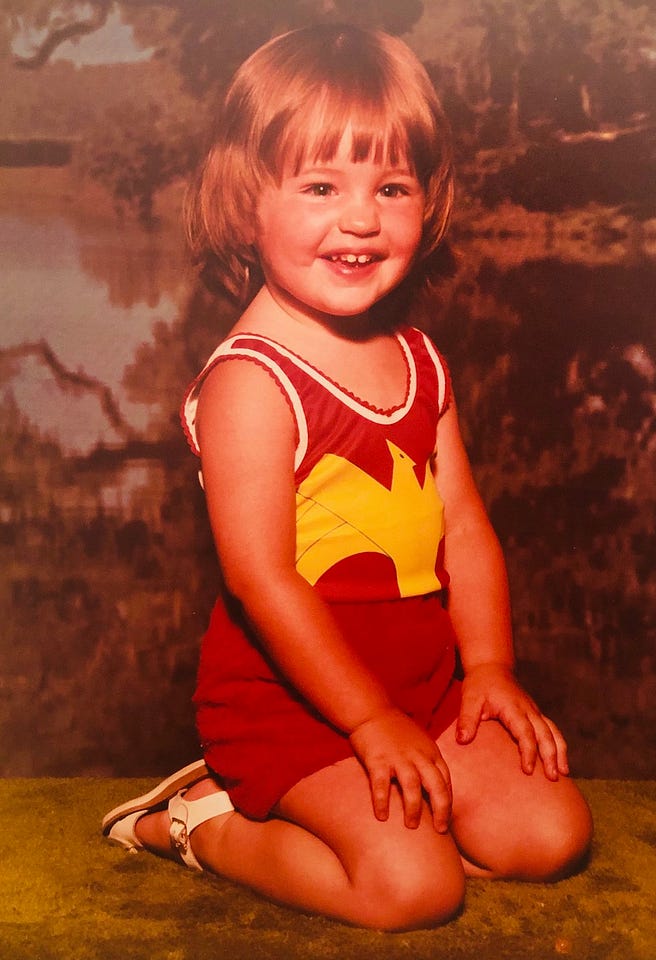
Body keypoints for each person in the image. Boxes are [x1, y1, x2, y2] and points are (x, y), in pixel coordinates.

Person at [102, 23, 592, 931]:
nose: (360, 218)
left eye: (391, 187)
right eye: (321, 186)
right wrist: (368, 725)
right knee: (414, 888)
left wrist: (488, 668)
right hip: (290, 708)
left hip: (423, 690)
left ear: (428, 201)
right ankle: (202, 822)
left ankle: (394, 788)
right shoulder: (252, 381)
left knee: (549, 835)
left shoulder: (420, 361)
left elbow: (466, 529)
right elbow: (262, 578)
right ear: (245, 201)